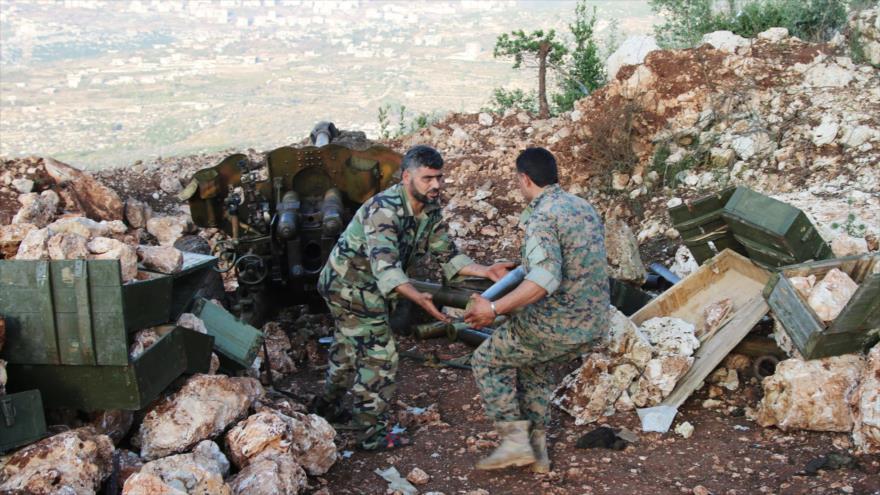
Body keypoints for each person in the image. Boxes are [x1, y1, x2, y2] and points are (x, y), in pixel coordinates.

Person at [315, 145, 513, 451]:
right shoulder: (384, 211)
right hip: (349, 288)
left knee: (347, 349)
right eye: (427, 178)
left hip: (371, 288)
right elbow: (387, 270)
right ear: (407, 177)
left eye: (439, 177)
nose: (436, 185)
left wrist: (486, 270)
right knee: (381, 355)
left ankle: (324, 408)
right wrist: (419, 299)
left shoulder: (429, 207)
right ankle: (371, 436)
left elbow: (447, 255)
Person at [463, 147, 609, 472]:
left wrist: (495, 307)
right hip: (596, 323)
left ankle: (515, 445)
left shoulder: (542, 215)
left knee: (486, 360)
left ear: (524, 179)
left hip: (561, 324)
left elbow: (545, 278)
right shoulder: (582, 207)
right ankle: (538, 453)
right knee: (533, 360)